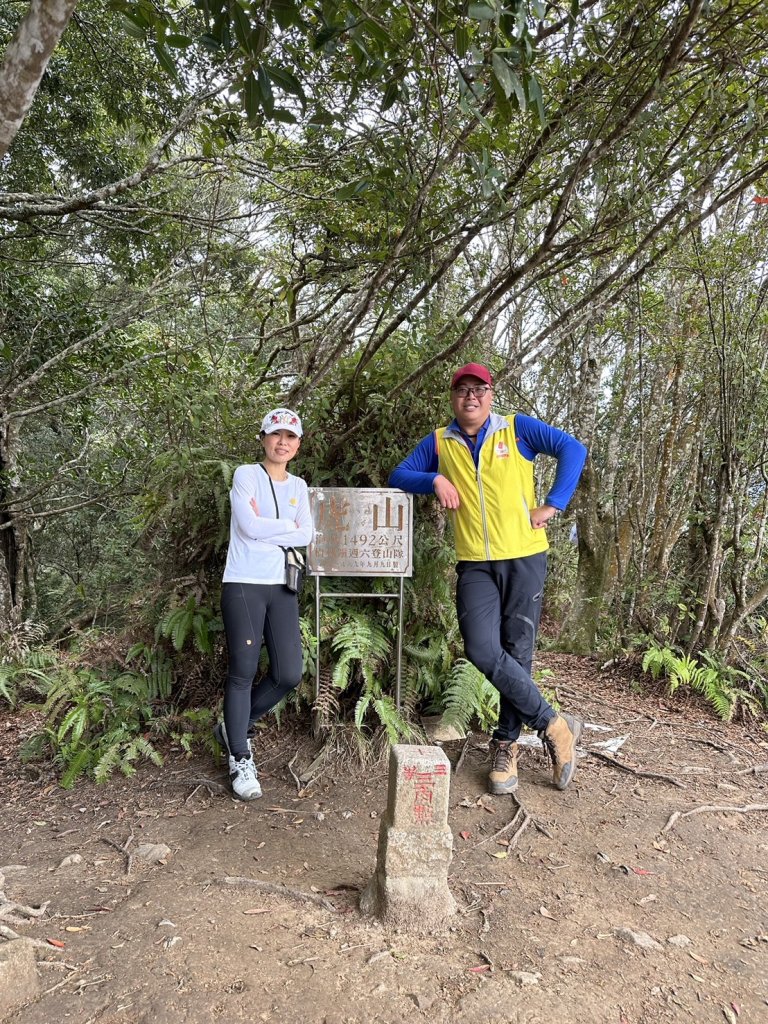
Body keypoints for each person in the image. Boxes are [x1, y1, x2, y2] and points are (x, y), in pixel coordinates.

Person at [389, 363, 587, 795]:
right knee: (481, 648)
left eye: (479, 389)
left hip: (525, 556)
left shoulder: (516, 429)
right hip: (474, 563)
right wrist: (435, 478)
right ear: (453, 398)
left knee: (517, 652)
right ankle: (554, 724)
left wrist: (553, 504)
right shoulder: (440, 442)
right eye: (462, 390)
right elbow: (398, 475)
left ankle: (506, 745)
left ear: (491, 394)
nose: (471, 397)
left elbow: (574, 448)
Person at [215, 408, 313, 800]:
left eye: (290, 436)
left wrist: (282, 530)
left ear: (298, 445)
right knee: (243, 668)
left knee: (289, 673)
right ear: (263, 438)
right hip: (244, 583)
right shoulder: (246, 475)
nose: (282, 442)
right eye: (276, 435)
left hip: (282, 585)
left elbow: (305, 533)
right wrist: (286, 529)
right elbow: (246, 527)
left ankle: (234, 724)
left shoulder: (299, 486)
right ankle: (240, 755)